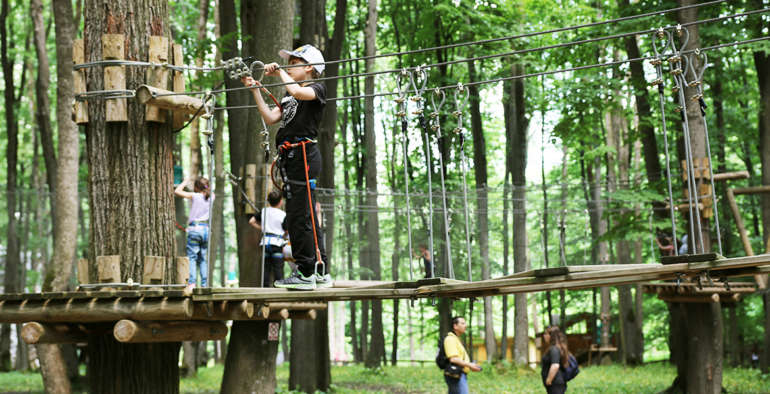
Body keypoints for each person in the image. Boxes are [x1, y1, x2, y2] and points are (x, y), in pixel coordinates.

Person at [242, 44, 331, 290]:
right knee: (304, 214)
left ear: (309, 68)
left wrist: (280, 72)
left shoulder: (316, 89)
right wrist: (256, 91)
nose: (289, 67)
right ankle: (319, 269)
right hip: (292, 158)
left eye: (293, 63)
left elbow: (300, 93)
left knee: (299, 215)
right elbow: (271, 118)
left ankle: (305, 271)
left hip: (304, 154)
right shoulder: (289, 95)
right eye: (289, 63)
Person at [175, 176, 213, 290]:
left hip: (195, 229)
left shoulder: (195, 196)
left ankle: (192, 284)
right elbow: (208, 192)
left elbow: (177, 191)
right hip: (206, 229)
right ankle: (204, 285)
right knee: (203, 258)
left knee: (192, 257)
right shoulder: (212, 197)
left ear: (196, 187)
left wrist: (185, 181)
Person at [249, 190, 287, 287]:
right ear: (280, 201)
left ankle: (265, 289)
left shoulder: (264, 211)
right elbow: (287, 229)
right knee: (278, 268)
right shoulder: (283, 214)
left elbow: (252, 221)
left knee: (266, 268)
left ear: (269, 201)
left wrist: (263, 229)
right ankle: (278, 289)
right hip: (277, 243)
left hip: (265, 242)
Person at [443, 316, 481, 394]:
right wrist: (470, 365)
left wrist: (470, 366)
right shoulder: (450, 339)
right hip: (456, 375)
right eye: (463, 323)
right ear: (455, 326)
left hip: (459, 374)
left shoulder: (456, 339)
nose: (465, 325)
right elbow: (453, 359)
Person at [541, 326, 569, 394]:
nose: (544, 336)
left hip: (556, 383)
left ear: (551, 336)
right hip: (555, 384)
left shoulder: (554, 349)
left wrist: (549, 379)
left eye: (546, 334)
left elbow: (555, 365)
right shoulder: (554, 348)